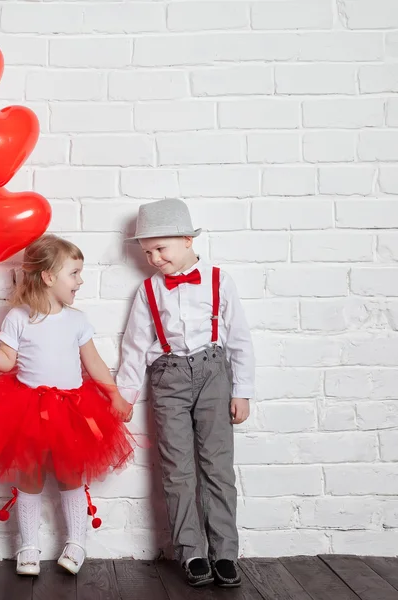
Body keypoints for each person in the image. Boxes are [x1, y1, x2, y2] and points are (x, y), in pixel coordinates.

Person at [0, 234, 134, 577]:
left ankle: (77, 541)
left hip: (72, 409)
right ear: (48, 276)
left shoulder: (77, 320)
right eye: (74, 273)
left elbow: (94, 364)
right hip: (28, 409)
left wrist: (115, 395)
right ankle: (28, 546)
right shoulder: (19, 318)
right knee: (28, 476)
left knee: (70, 476)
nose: (80, 281)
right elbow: (5, 362)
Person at [116, 199, 254, 588]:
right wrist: (126, 394)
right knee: (177, 470)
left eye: (161, 249)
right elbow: (135, 345)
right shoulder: (147, 291)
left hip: (214, 373)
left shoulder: (219, 280)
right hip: (168, 377)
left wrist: (242, 390)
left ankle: (225, 551)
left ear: (187, 240)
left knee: (217, 467)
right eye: (147, 252)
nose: (154, 259)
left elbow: (240, 339)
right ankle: (191, 552)